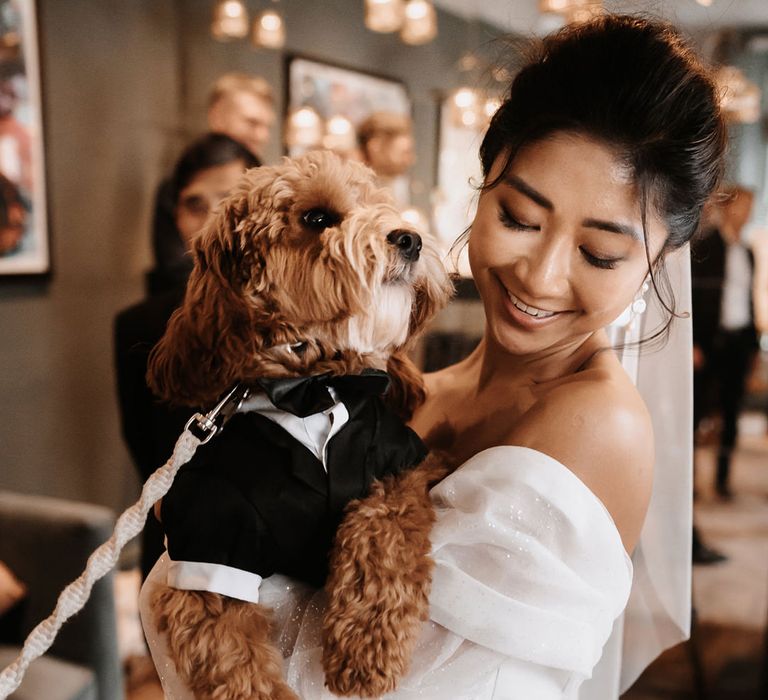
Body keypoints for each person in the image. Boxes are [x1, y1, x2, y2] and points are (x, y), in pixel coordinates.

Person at [141, 14, 726, 700]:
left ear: (659, 260)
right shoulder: (395, 392)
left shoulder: (600, 426)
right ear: (481, 189)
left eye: (599, 253)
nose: (539, 276)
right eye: (519, 219)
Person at [115, 132, 259, 581]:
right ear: (175, 216)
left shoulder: (305, 317)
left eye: (231, 200)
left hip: (278, 547)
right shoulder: (138, 323)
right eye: (196, 206)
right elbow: (143, 442)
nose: (214, 219)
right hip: (175, 542)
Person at [148, 73, 275, 295]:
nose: (262, 135)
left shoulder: (271, 187)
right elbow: (175, 268)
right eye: (251, 122)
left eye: (266, 126)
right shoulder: (177, 185)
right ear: (217, 116)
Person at [692, 185, 760, 499]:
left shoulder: (747, 252)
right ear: (727, 208)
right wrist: (692, 344)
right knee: (698, 412)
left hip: (739, 341)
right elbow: (691, 299)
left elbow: (746, 300)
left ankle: (722, 479)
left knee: (732, 413)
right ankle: (690, 479)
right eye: (743, 206)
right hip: (709, 342)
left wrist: (754, 347)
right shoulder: (706, 246)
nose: (747, 213)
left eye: (751, 207)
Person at [357, 110, 415, 207]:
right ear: (376, 147)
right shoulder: (354, 192)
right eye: (404, 153)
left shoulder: (397, 186)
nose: (410, 160)